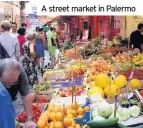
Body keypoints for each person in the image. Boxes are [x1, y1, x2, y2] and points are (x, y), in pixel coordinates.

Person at [0, 58, 36, 128]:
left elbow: (26, 94)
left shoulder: (20, 70)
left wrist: (29, 119)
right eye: (5, 83)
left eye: (13, 83)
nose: (9, 86)